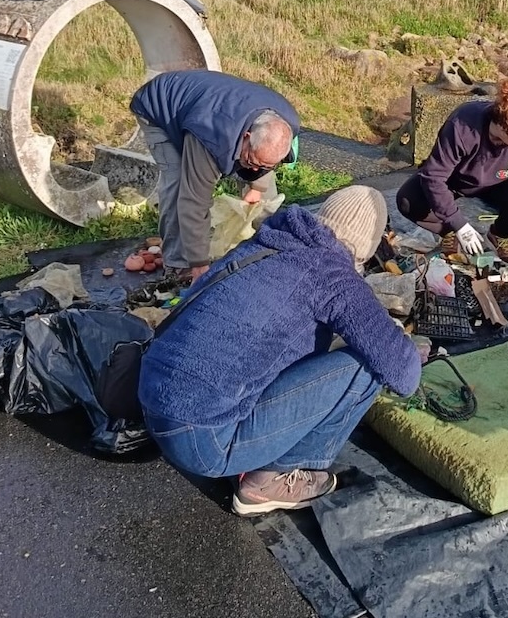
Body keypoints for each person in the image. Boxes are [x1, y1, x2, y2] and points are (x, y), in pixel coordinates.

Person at [137, 185, 422, 516]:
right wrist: (409, 347)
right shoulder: (333, 274)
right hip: (203, 442)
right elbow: (403, 375)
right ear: (364, 248)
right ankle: (272, 480)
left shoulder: (268, 242)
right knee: (366, 366)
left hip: (150, 400)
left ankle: (250, 449)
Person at [130, 69, 301, 281]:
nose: (256, 169)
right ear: (246, 136)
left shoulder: (287, 124)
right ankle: (178, 265)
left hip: (212, 103)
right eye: (252, 162)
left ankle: (264, 247)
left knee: (263, 192)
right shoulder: (212, 137)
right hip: (162, 104)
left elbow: (264, 160)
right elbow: (194, 201)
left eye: (265, 165)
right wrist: (199, 265)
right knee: (179, 184)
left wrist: (257, 188)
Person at [396, 75, 508, 265]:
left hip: (501, 182)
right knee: (408, 200)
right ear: (505, 129)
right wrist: (459, 225)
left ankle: (500, 235)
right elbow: (434, 177)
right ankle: (449, 232)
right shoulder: (463, 125)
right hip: (455, 181)